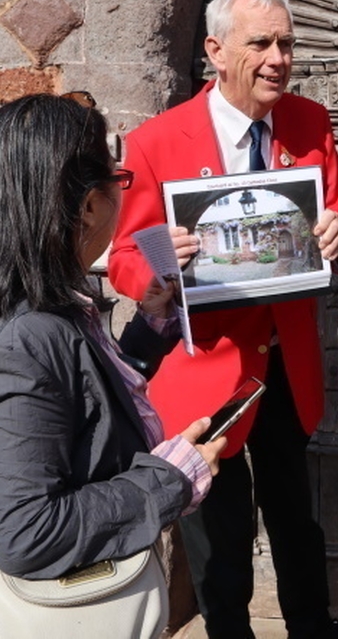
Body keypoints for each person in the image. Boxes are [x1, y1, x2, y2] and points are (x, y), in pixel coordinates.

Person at [108, 0, 338, 639]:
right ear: (216, 50)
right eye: (260, 43)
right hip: (207, 369)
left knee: (297, 514)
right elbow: (123, 259)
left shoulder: (310, 122)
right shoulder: (156, 141)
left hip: (288, 363)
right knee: (218, 528)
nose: (278, 58)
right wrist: (160, 266)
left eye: (286, 43)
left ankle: (313, 628)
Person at [0, 94, 225, 637]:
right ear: (89, 207)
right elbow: (27, 530)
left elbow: (76, 398)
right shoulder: (31, 333)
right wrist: (170, 479)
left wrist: (149, 331)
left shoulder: (47, 305)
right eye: (117, 180)